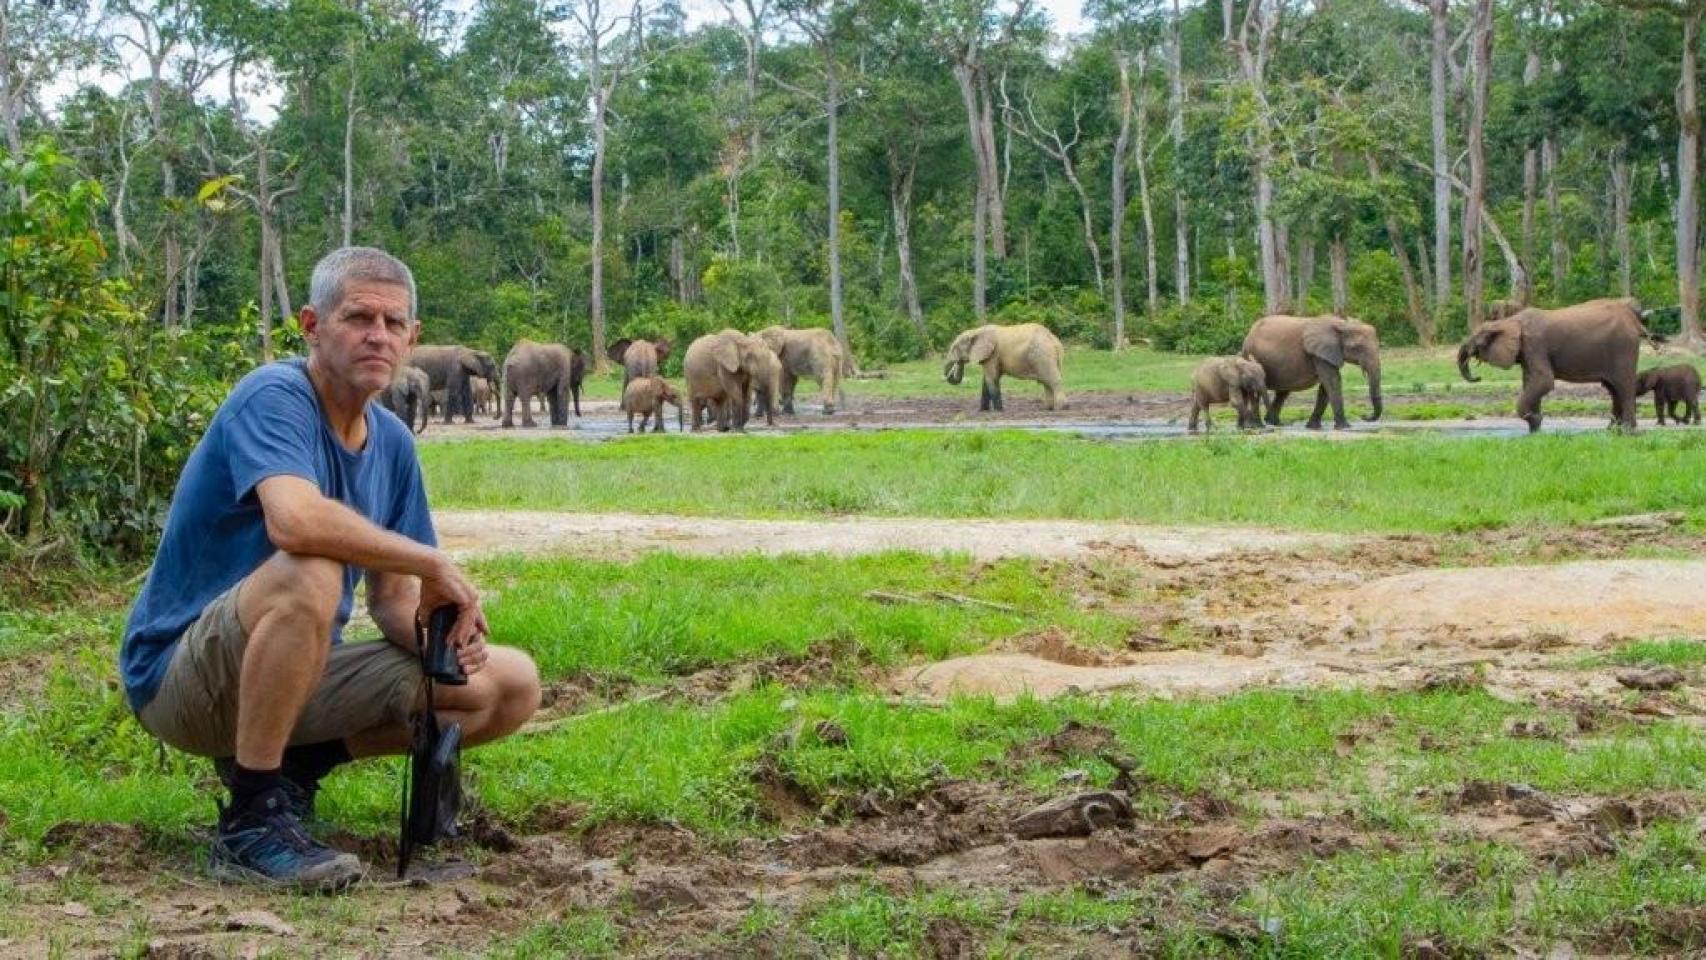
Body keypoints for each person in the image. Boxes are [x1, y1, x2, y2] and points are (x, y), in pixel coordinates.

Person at [120, 247, 540, 890]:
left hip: (295, 668)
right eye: (359, 317)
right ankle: (250, 821)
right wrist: (431, 558)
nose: (378, 334)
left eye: (394, 323)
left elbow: (394, 603)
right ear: (312, 326)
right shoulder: (273, 395)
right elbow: (294, 522)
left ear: (413, 339)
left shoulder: (393, 443)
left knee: (509, 684)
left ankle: (295, 767)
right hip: (182, 680)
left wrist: (444, 637)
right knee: (310, 569)